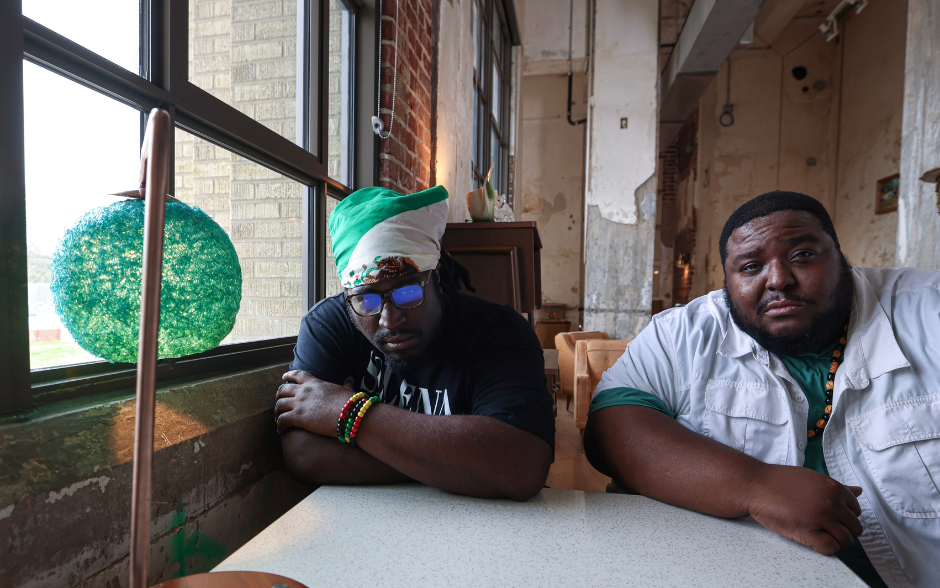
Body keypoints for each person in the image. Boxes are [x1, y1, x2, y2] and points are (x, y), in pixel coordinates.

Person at [585, 192, 940, 588]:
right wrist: (754, 485)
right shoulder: (681, 334)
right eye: (751, 266)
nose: (778, 280)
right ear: (727, 283)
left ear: (841, 257)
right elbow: (612, 423)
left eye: (802, 255)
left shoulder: (928, 311)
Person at [274, 185, 554, 501]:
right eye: (366, 301)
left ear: (436, 279)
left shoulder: (498, 333)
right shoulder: (329, 324)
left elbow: (521, 466)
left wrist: (348, 412)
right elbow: (303, 455)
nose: (389, 320)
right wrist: (456, 463)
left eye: (408, 293)